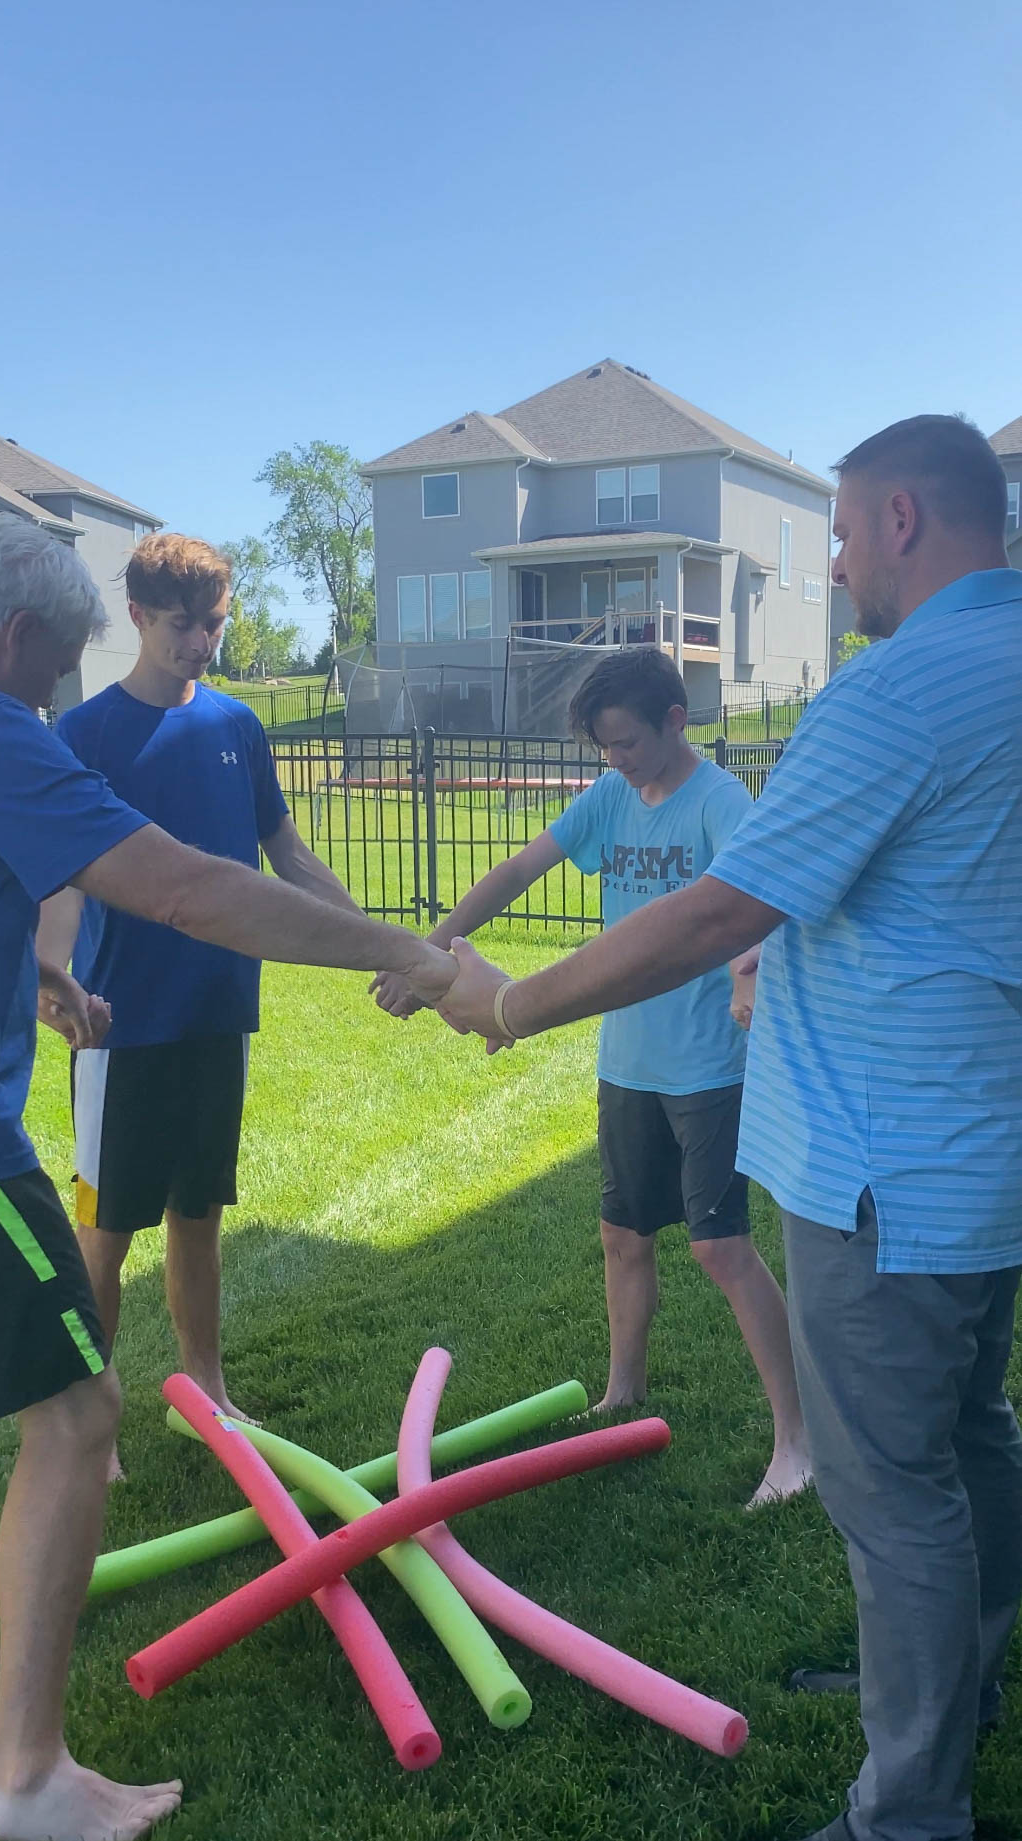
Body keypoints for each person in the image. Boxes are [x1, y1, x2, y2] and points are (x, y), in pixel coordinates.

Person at [435, 416, 1022, 1841]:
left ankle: (906, 1809)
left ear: (896, 518)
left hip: (884, 1179)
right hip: (983, 1162)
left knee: (893, 1505)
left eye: (830, 532)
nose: (826, 562)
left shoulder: (901, 689)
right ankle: (951, 1697)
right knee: (969, 1437)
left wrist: (511, 1004)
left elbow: (714, 912)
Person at [0, 513, 451, 1841]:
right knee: (76, 1417)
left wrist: (39, 972)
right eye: (49, 665)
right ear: (16, 637)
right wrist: (404, 951)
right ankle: (28, 1782)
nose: (50, 694)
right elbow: (186, 888)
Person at [372, 648, 808, 1506]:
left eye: (627, 744)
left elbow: (762, 904)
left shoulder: (722, 802)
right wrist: (427, 955)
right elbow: (514, 872)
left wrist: (746, 973)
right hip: (628, 1063)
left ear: (674, 721)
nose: (616, 760)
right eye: (604, 747)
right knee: (623, 1237)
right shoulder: (611, 797)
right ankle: (623, 1391)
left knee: (722, 1247)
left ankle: (799, 1440)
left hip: (709, 1069)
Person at [37, 534, 366, 1479]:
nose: (201, 641)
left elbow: (290, 858)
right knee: (106, 1226)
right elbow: (61, 875)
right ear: (138, 616)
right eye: (183, 624)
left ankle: (208, 1385)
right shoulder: (85, 735)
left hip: (219, 1011)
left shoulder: (237, 727)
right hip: (118, 1025)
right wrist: (56, 973)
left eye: (214, 622)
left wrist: (387, 947)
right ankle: (93, 1418)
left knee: (198, 1213)